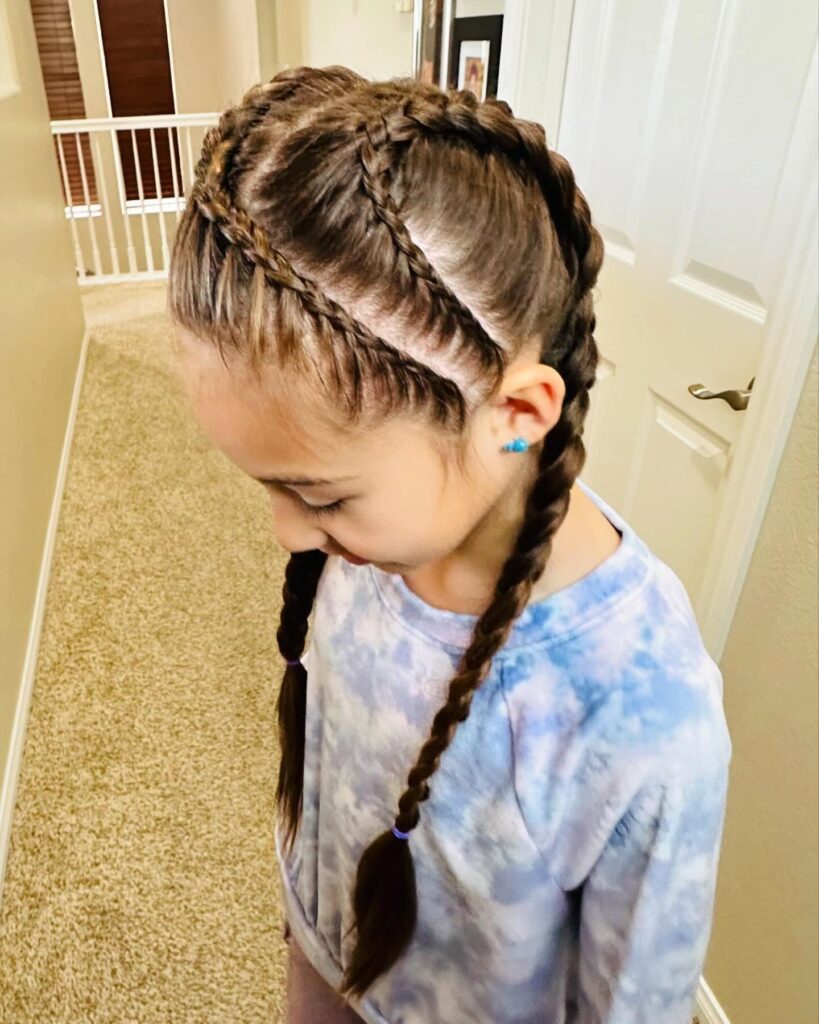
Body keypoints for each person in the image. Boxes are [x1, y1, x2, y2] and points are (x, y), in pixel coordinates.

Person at [168, 65, 732, 1024]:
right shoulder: (368, 559)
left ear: (515, 414)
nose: (285, 533)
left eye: (319, 494)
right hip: (330, 957)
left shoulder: (640, 716)